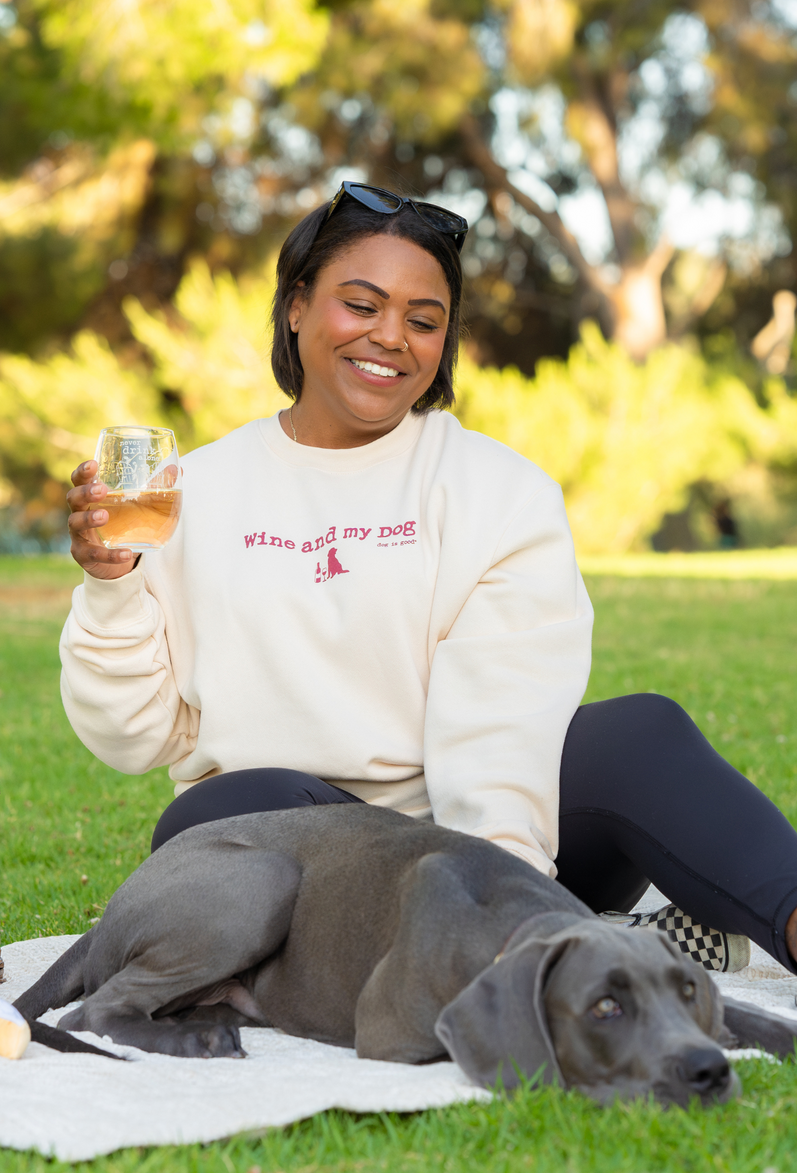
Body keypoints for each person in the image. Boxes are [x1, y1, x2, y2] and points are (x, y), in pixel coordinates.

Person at [62, 181, 797, 976]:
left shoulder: (498, 490)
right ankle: (596, 941)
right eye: (361, 305)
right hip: (308, 854)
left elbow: (503, 718)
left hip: (481, 837)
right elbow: (136, 735)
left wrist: (491, 897)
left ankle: (562, 934)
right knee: (218, 815)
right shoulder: (192, 490)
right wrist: (113, 585)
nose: (390, 337)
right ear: (297, 305)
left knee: (638, 736)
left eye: (423, 320)